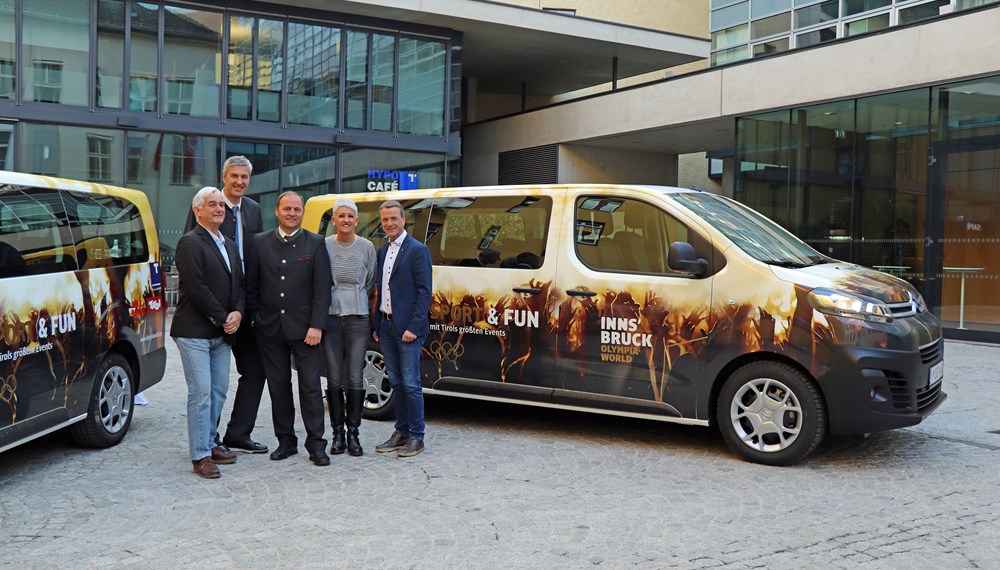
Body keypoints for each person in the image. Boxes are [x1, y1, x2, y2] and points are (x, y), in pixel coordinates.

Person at [184, 155, 268, 454]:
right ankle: (210, 439)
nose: (239, 182)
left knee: (255, 371)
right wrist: (221, 313)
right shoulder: (207, 207)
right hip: (212, 311)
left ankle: (238, 434)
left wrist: (247, 306)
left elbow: (256, 255)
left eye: (244, 177)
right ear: (224, 177)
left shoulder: (255, 210)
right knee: (209, 387)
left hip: (244, 305)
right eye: (234, 176)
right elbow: (191, 254)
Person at [247, 191, 332, 466]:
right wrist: (256, 319)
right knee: (278, 388)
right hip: (270, 330)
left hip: (306, 331)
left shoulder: (316, 243)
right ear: (277, 211)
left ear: (303, 212)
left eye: (297, 209)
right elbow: (252, 287)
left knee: (309, 388)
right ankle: (286, 441)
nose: (292, 213)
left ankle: (316, 444)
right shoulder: (259, 243)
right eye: (287, 209)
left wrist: (317, 325)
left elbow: (322, 290)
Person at [170, 187, 243, 479]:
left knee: (218, 390)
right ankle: (200, 455)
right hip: (194, 331)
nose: (218, 209)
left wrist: (238, 312)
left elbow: (239, 283)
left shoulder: (227, 242)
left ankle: (211, 441)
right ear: (197, 210)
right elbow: (197, 287)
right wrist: (224, 316)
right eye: (212, 205)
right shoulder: (189, 243)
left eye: (221, 205)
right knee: (200, 392)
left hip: (222, 333)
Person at [373, 200, 432, 458]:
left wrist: (415, 326)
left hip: (408, 328)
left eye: (393, 219)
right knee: (396, 381)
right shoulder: (382, 251)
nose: (389, 223)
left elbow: (424, 292)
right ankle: (401, 431)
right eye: (385, 220)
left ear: (403, 219)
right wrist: (377, 324)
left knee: (410, 383)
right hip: (386, 326)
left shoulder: (418, 250)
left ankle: (417, 437)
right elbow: (380, 289)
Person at [322, 199, 376, 457]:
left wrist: (355, 300)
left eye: (350, 216)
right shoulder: (324, 246)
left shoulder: (366, 247)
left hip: (357, 318)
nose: (345, 220)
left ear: (357, 220)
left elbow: (370, 282)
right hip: (331, 318)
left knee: (354, 376)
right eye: (340, 215)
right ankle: (337, 434)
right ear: (334, 220)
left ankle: (353, 433)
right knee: (334, 378)